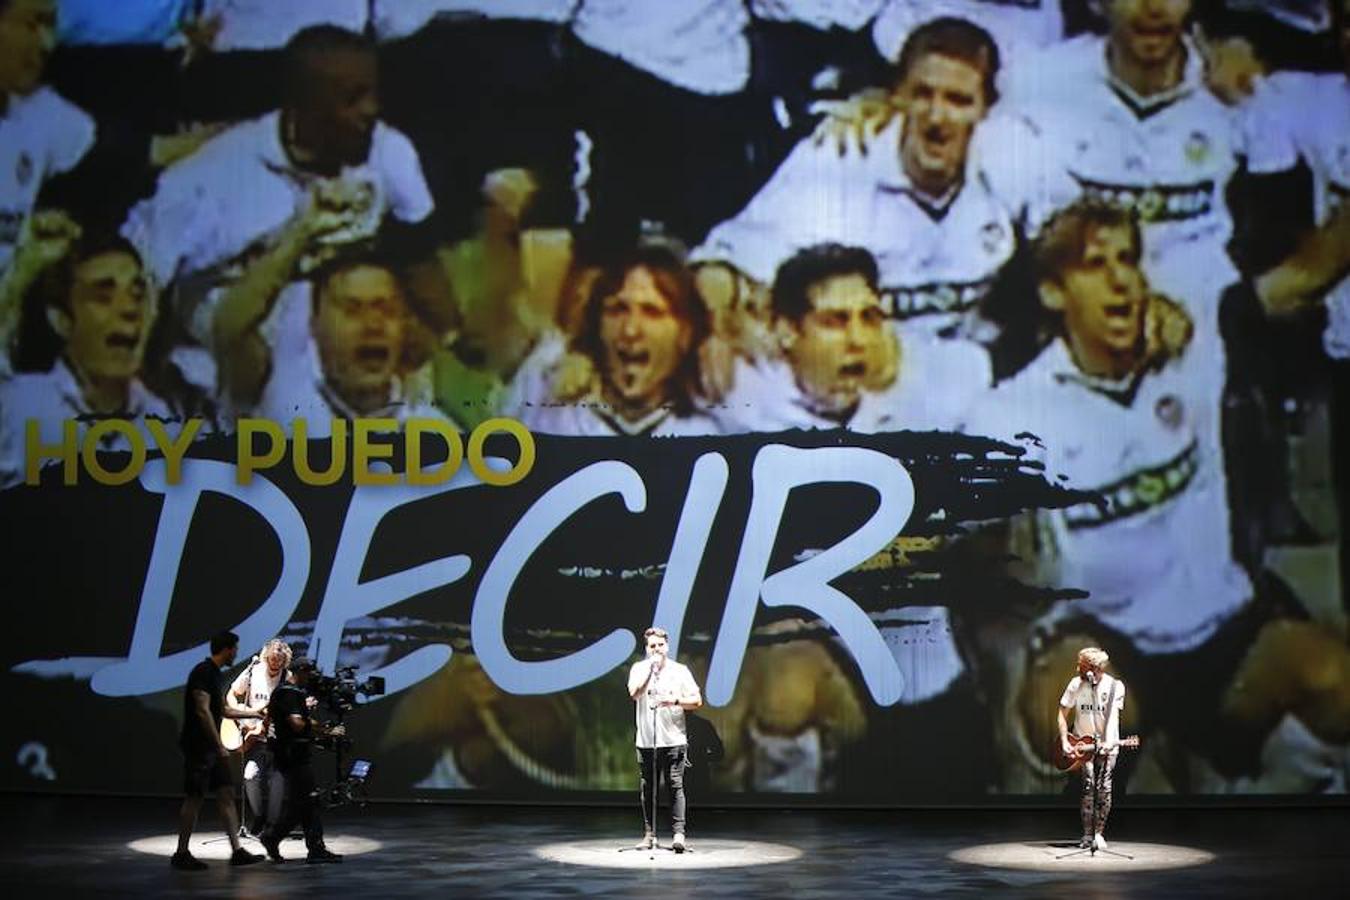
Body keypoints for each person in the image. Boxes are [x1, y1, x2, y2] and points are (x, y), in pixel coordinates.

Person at [695, 17, 1074, 354]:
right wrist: (715, 332)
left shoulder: (1011, 161)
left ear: (987, 110)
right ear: (897, 95)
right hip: (858, 382)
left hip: (963, 379)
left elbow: (1085, 238)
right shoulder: (843, 154)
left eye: (958, 101)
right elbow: (727, 261)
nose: (937, 117)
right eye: (923, 94)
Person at [123, 23, 434, 409]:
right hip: (242, 387)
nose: (370, 111)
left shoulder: (389, 153)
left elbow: (425, 271)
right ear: (301, 105)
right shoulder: (206, 180)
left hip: (352, 375)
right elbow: (135, 291)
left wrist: (431, 349)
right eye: (351, 99)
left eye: (372, 93)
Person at [0, 231, 198, 487]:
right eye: (103, 297)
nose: (128, 309)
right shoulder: (18, 408)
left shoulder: (166, 427)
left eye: (137, 295)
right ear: (61, 320)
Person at [216, 249, 450, 437]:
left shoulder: (436, 435)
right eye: (352, 309)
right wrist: (302, 232)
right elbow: (229, 328)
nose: (373, 325)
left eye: (387, 310)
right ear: (315, 324)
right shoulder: (282, 397)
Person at [518, 241, 720, 436]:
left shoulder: (703, 436)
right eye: (618, 310)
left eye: (652, 312)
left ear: (685, 334)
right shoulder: (554, 422)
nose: (631, 330)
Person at [173, 629, 264, 871]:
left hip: (211, 747)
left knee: (225, 793)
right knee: (195, 796)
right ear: (226, 649)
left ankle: (237, 852)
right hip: (199, 746)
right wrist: (218, 745)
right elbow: (202, 710)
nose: (236, 653)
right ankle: (181, 853)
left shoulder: (215, 674)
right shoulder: (203, 672)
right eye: (234, 648)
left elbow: (224, 710)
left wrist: (255, 713)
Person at [259, 657, 343, 864]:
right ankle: (273, 837)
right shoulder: (289, 693)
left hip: (292, 754)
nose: (312, 678)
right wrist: (325, 730)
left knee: (307, 801)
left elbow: (294, 720)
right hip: (292, 755)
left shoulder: (288, 693)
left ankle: (314, 848)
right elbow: (297, 723)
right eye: (309, 673)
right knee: (305, 802)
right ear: (300, 671)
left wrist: (321, 730)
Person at [626, 626, 702, 853]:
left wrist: (675, 700)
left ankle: (679, 834)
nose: (657, 649)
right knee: (648, 787)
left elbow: (697, 700)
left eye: (660, 645)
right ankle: (650, 834)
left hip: (674, 739)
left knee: (674, 785)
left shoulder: (680, 671)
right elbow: (634, 693)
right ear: (647, 649)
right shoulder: (639, 669)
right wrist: (650, 671)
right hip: (647, 740)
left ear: (667, 646)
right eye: (652, 646)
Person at [1056, 647, 1126, 851]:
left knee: (1104, 788)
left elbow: (1113, 717)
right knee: (1088, 786)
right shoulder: (1075, 684)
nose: (1078, 668)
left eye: (1083, 665)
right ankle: (1087, 835)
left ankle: (1099, 834)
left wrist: (1108, 742)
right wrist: (1064, 740)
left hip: (1107, 745)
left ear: (1095, 668)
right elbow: (1062, 712)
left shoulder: (1115, 687)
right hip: (1082, 743)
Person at [227, 638, 292, 836]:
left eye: (279, 661)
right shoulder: (253, 671)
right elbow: (231, 695)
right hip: (254, 738)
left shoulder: (287, 679)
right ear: (266, 657)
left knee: (277, 780)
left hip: (276, 739)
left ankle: (271, 825)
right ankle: (259, 816)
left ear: (284, 661)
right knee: (250, 776)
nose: (275, 664)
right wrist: (242, 716)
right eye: (272, 660)